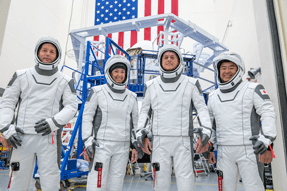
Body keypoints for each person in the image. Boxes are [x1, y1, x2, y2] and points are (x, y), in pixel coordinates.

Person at [0, 37, 78, 191]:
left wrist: (53, 123)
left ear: (57, 55)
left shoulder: (65, 80)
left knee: (51, 181)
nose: (47, 54)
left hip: (49, 138)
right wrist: (6, 129)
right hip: (21, 138)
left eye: (52, 51)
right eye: (44, 50)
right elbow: (7, 103)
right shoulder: (21, 75)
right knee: (18, 180)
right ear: (37, 52)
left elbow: (71, 107)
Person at [136, 44, 212, 191]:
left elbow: (202, 109)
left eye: (172, 57)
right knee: (160, 185)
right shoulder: (150, 85)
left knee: (186, 184)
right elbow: (144, 113)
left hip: (183, 142)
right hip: (159, 142)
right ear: (160, 61)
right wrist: (141, 134)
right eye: (166, 57)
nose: (169, 60)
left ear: (179, 61)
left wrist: (206, 133)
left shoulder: (191, 83)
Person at [207, 51, 277, 191]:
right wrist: (210, 147)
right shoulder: (213, 96)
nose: (227, 71)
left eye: (231, 67)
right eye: (223, 68)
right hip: (223, 152)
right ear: (218, 71)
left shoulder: (253, 89)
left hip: (250, 150)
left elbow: (268, 113)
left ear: (239, 69)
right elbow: (211, 125)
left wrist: (267, 142)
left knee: (254, 188)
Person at [82, 55, 140, 191]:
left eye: (122, 72)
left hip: (123, 147)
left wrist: (135, 146)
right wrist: (87, 141)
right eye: (116, 71)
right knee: (97, 184)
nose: (119, 75)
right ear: (109, 72)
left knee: (116, 185)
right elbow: (87, 118)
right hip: (101, 146)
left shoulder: (132, 97)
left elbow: (135, 123)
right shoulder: (97, 92)